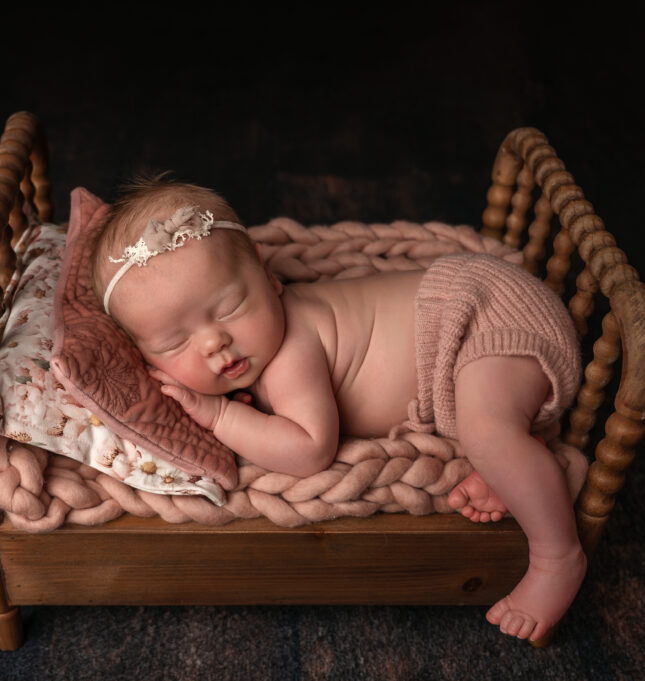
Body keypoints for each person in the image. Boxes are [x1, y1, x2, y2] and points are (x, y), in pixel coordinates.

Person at [90, 174, 586, 642]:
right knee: (491, 427)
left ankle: (557, 556)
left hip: (482, 315)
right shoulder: (253, 350)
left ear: (269, 276)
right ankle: (518, 455)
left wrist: (219, 416)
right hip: (469, 346)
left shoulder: (290, 352)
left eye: (228, 309)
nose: (215, 342)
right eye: (176, 342)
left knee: (487, 433)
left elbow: (310, 450)